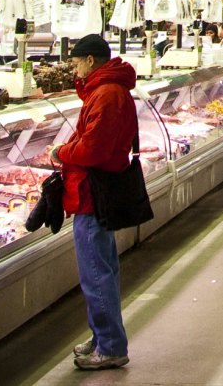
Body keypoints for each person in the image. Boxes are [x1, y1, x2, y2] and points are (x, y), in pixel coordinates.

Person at [47, 33, 138, 371]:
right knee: (103, 270)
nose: (74, 69)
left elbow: (93, 149)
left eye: (75, 62)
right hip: (93, 191)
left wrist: (60, 152)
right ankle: (103, 336)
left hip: (92, 194)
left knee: (96, 274)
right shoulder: (106, 90)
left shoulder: (106, 93)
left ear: (89, 60)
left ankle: (111, 346)